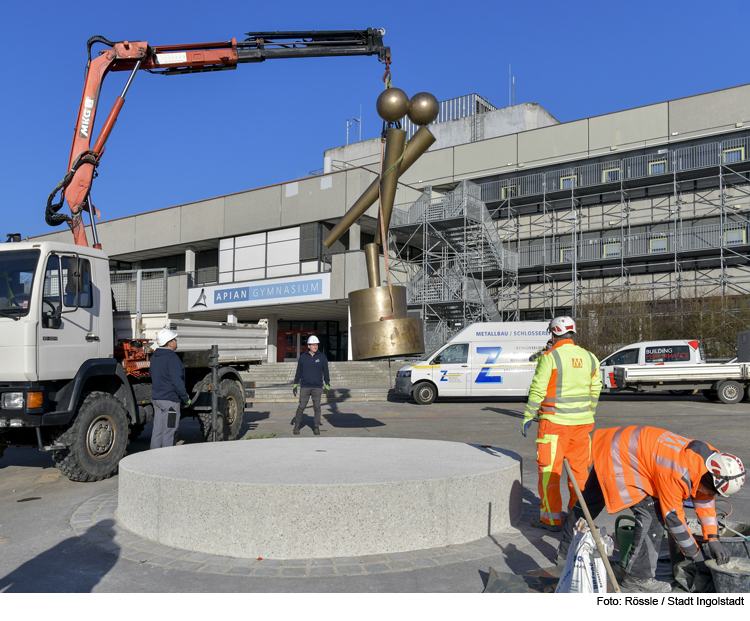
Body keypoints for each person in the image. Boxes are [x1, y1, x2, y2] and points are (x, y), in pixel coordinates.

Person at [556, 425, 745, 593]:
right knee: (652, 515)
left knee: (589, 503)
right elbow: (673, 519)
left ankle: (564, 555)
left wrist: (713, 539)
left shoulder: (713, 461)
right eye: (715, 491)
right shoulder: (676, 471)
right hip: (622, 457)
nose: (714, 495)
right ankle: (638, 578)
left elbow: (705, 499)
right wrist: (696, 557)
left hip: (618, 445)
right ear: (711, 478)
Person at [522, 316, 602, 532]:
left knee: (549, 472)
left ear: (553, 333)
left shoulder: (550, 357)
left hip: (554, 425)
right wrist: (589, 412)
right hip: (583, 427)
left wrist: (528, 415)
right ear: (572, 333)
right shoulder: (590, 358)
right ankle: (579, 519)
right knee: (580, 476)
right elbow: (595, 390)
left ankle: (551, 519)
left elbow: (538, 390)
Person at [149, 328, 191, 449]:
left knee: (157, 431)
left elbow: (151, 375)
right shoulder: (172, 358)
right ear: (170, 343)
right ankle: (167, 462)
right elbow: (177, 383)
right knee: (169, 431)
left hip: (157, 401)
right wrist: (185, 398)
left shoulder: (155, 357)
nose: (176, 341)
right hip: (170, 404)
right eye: (174, 339)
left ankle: (152, 459)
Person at [292, 335, 330, 436]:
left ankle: (316, 427)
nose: (315, 347)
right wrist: (295, 384)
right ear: (308, 346)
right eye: (313, 345)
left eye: (316, 345)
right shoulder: (303, 357)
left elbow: (326, 371)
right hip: (305, 386)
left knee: (317, 407)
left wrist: (327, 384)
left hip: (317, 387)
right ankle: (296, 426)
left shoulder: (322, 357)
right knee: (302, 406)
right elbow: (298, 371)